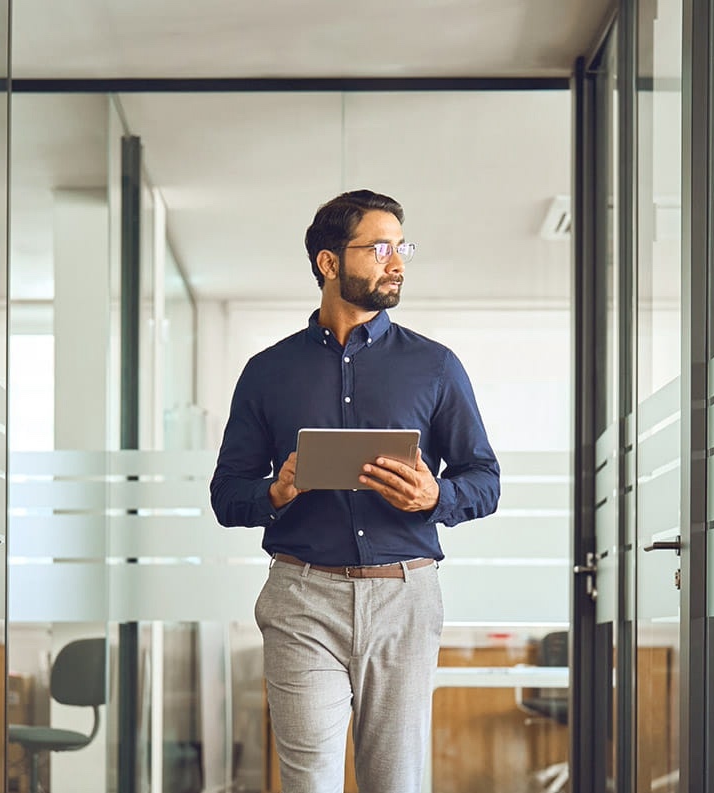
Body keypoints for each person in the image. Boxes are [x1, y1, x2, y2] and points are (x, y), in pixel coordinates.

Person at [210, 189, 501, 792]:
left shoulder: (436, 366)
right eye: (380, 248)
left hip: (405, 598)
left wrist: (434, 498)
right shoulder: (267, 372)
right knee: (309, 781)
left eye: (402, 247)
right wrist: (277, 491)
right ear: (329, 262)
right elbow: (227, 495)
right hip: (301, 599)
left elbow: (484, 479)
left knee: (394, 782)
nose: (397, 262)